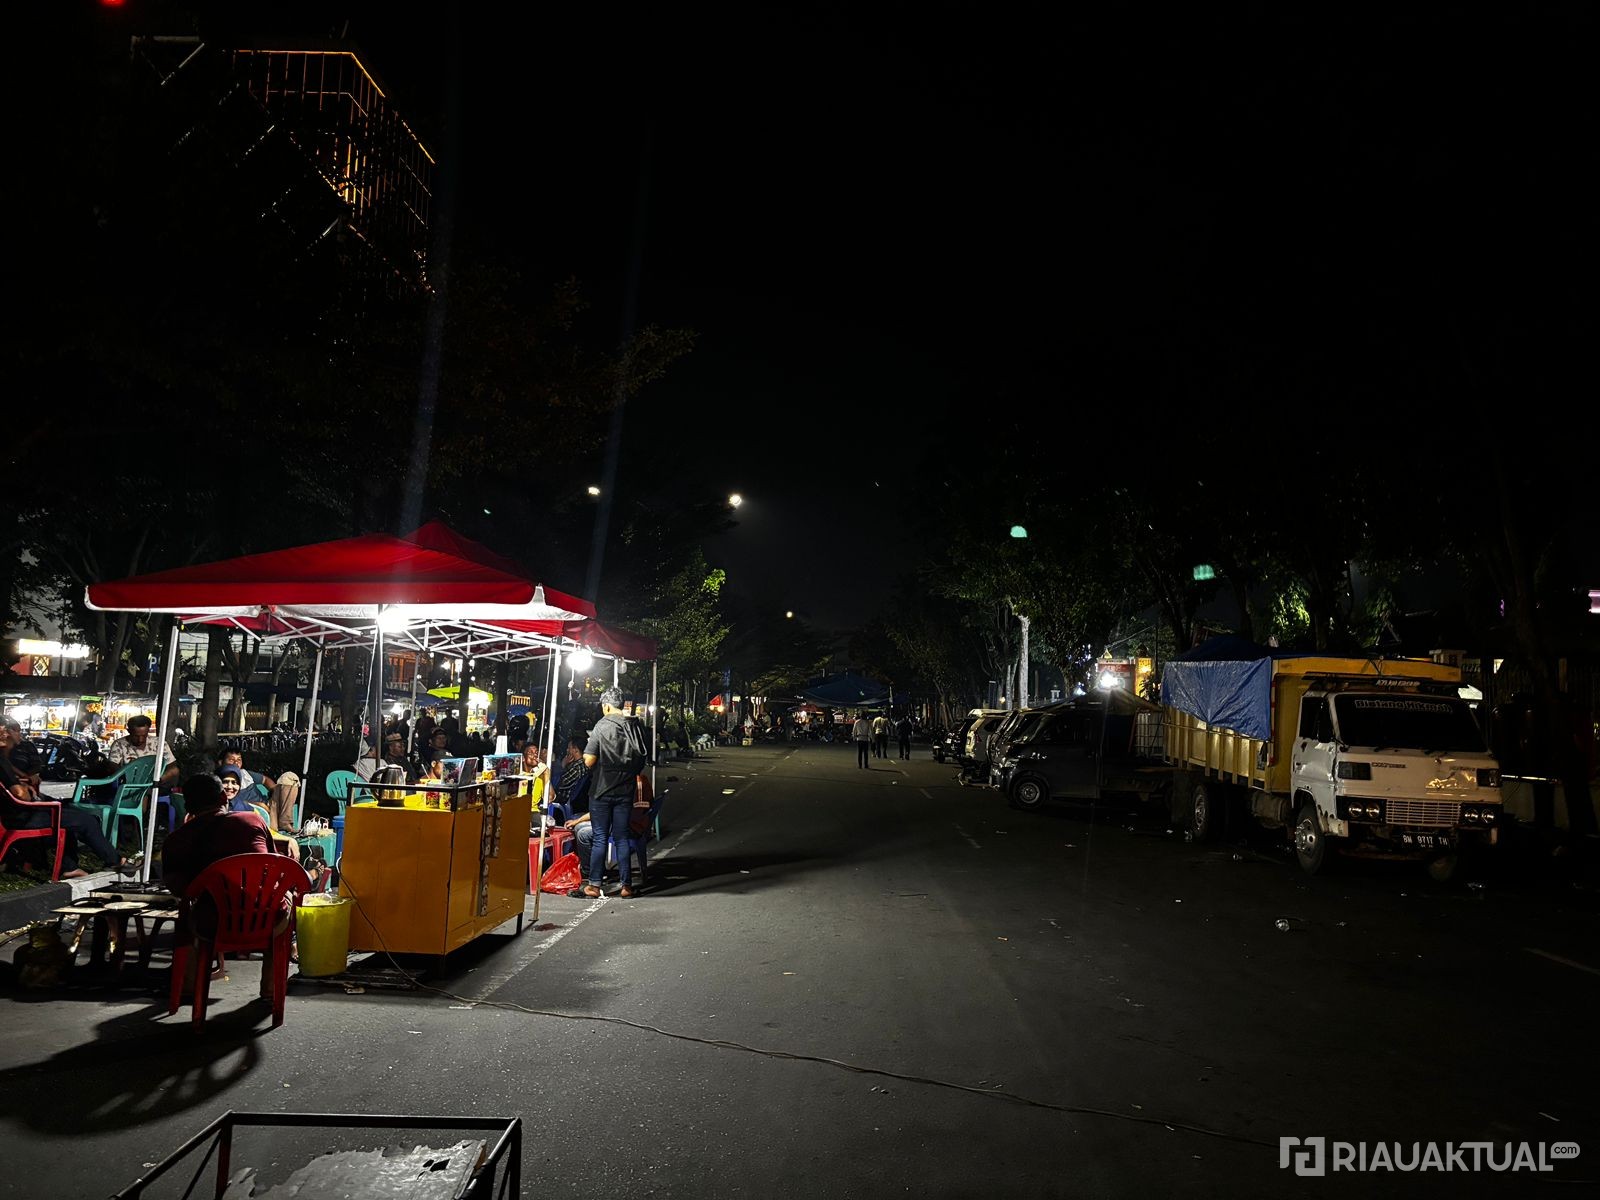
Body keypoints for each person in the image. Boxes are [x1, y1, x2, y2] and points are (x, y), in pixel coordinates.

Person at [161, 773, 286, 1000]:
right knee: (284, 904)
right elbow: (273, 866)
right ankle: (270, 991)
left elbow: (178, 889)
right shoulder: (252, 821)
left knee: (187, 913)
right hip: (267, 916)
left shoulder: (176, 840)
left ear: (187, 804)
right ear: (222, 797)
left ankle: (189, 987)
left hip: (211, 922)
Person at [0, 715, 138, 878]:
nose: (6, 734)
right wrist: (29, 792)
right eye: (3, 731)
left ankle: (70, 867)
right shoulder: (1, 760)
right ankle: (116, 861)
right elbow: (20, 795)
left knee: (72, 816)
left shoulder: (4, 759)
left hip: (15, 813)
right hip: (20, 816)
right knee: (86, 821)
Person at [571, 687, 649, 899]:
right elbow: (641, 758)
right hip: (625, 790)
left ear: (606, 705)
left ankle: (594, 886)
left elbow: (588, 760)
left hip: (601, 790)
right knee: (622, 837)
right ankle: (626, 886)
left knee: (599, 838)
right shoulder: (634, 726)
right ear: (622, 704)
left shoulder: (601, 726)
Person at [105, 714, 180, 788]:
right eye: (136, 736)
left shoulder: (159, 743)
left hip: (154, 780)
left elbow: (171, 764)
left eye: (144, 735)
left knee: (174, 770)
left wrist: (159, 777)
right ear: (129, 731)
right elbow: (113, 765)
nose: (140, 740)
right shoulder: (119, 744)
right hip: (131, 781)